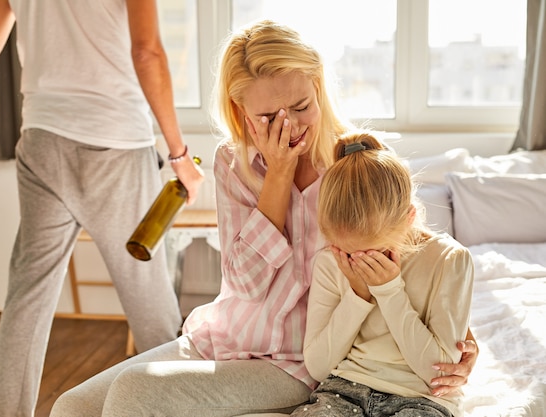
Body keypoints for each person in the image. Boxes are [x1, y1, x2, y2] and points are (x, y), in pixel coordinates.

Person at [49, 20, 478, 417]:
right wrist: (278, 174)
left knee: (135, 392)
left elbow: (410, 247)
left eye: (300, 105)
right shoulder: (231, 164)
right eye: (268, 118)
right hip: (224, 336)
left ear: (318, 87)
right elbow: (245, 284)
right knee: (71, 407)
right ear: (240, 113)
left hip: (297, 361)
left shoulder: (358, 160)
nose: (288, 126)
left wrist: (462, 336)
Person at [0, 0, 204, 416]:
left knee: (26, 301)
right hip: (116, 145)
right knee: (150, 304)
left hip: (42, 142)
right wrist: (180, 156)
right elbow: (147, 53)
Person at [290, 131, 473, 417]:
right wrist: (357, 295)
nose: (359, 262)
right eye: (349, 252)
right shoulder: (331, 260)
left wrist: (388, 290)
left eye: (374, 252)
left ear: (408, 218)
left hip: (421, 399)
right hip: (343, 390)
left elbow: (436, 372)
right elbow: (319, 366)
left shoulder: (449, 260)